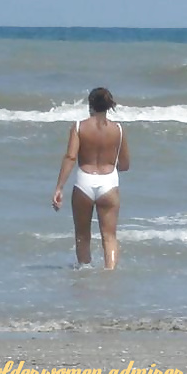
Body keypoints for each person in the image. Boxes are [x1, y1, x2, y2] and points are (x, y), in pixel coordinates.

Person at [52, 87, 130, 269]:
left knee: (82, 235)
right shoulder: (118, 129)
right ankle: (110, 274)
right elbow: (125, 165)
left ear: (90, 105)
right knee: (109, 236)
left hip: (84, 183)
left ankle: (85, 273)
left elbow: (71, 157)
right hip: (109, 183)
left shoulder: (79, 127)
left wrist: (59, 187)